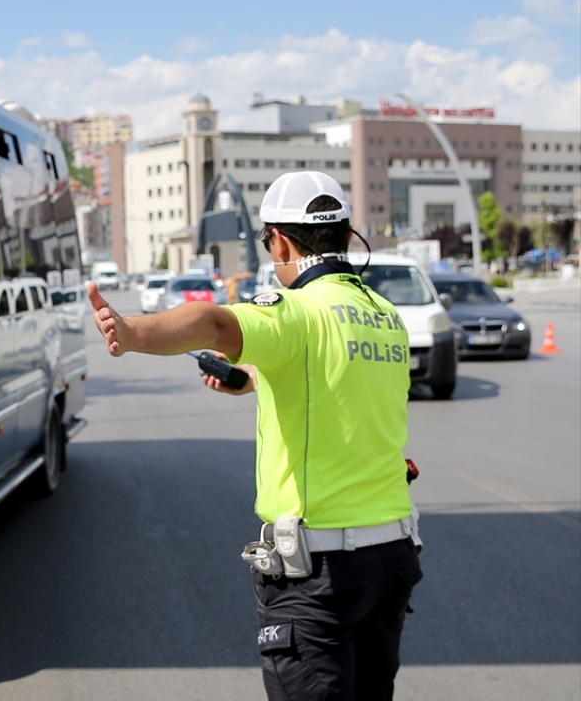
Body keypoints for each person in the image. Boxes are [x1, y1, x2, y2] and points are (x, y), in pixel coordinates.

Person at [88, 171, 422, 700]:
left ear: (281, 242)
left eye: (268, 242)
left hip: (321, 573)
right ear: (344, 235)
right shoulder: (385, 316)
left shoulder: (296, 310)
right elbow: (335, 384)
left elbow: (215, 324)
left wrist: (133, 333)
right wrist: (249, 381)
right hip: (392, 557)